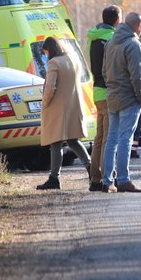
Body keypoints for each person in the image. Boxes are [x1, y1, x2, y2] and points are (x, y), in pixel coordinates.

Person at [36, 36, 92, 190]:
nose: (46, 55)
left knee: (56, 142)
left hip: (57, 109)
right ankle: (91, 168)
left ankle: (54, 178)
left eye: (46, 52)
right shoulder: (72, 59)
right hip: (73, 106)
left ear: (50, 50)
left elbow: (50, 88)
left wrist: (45, 104)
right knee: (73, 140)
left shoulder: (54, 63)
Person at [100, 12, 141, 193]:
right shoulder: (134, 44)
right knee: (125, 139)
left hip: (112, 95)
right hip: (129, 97)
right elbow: (138, 76)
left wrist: (112, 87)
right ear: (138, 26)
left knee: (111, 140)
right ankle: (123, 180)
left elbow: (104, 71)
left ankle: (107, 181)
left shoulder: (111, 42)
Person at [86, 5, 121, 192]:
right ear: (117, 20)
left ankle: (94, 178)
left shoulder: (93, 37)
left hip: (97, 90)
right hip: (109, 91)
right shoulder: (113, 38)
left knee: (99, 138)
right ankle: (107, 178)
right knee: (108, 138)